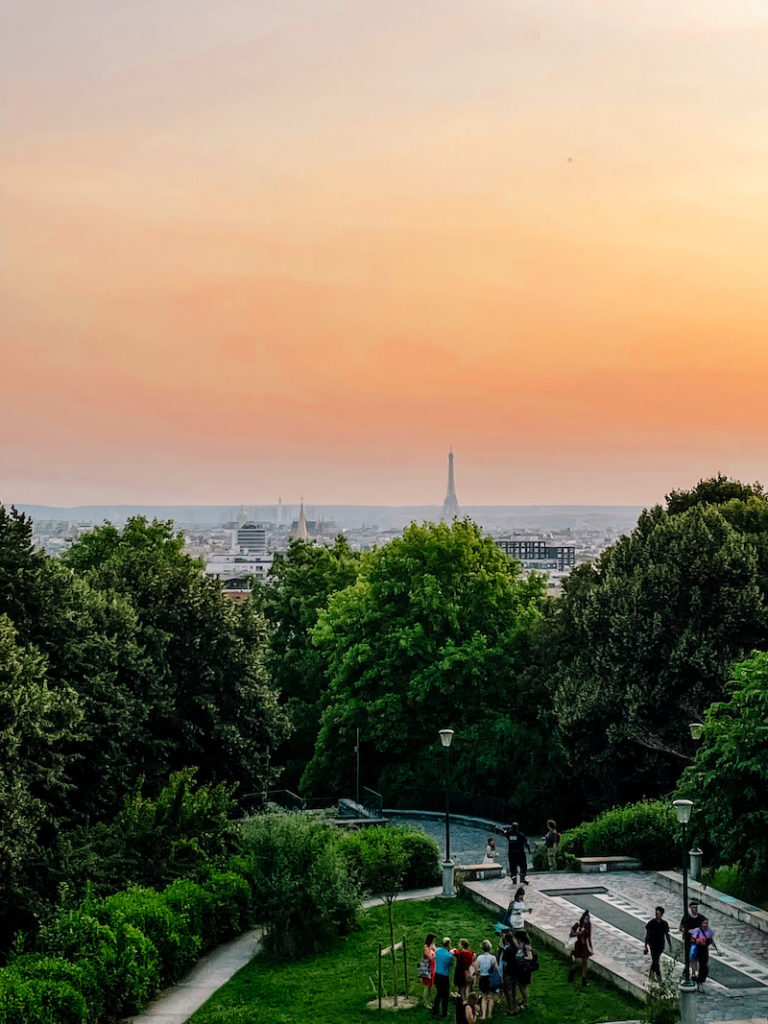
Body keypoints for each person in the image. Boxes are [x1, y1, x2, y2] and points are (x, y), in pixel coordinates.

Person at [690, 916, 718, 992]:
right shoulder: (697, 930)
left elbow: (711, 940)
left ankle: (700, 981)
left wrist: (716, 949)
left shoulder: (709, 931)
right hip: (698, 949)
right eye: (704, 923)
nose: (705, 924)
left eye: (707, 923)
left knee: (704, 966)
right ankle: (698, 980)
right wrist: (698, 940)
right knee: (698, 964)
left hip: (705, 950)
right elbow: (692, 939)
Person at [644, 906, 672, 980]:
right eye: (656, 913)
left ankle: (651, 974)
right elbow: (648, 934)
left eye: (659, 913)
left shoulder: (664, 924)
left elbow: (667, 934)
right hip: (652, 944)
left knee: (655, 960)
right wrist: (646, 945)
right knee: (656, 960)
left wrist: (670, 945)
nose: (657, 915)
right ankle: (659, 977)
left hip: (660, 944)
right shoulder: (651, 923)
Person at [679, 899, 705, 981]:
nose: (695, 909)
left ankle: (693, 973)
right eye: (693, 907)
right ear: (690, 908)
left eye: (696, 907)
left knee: (695, 957)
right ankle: (687, 968)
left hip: (697, 940)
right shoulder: (686, 917)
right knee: (689, 956)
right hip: (688, 940)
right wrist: (688, 931)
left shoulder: (701, 917)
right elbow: (681, 928)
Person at [475, 939, 500, 1020]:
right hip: (490, 978)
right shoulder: (493, 958)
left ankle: (483, 1015)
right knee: (491, 997)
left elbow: (477, 969)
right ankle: (489, 1014)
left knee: (484, 997)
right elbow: (496, 968)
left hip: (483, 977)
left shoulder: (479, 957)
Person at [568, 910, 593, 987]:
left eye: (588, 919)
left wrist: (590, 946)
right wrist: (579, 933)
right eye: (585, 919)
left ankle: (584, 980)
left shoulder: (588, 926)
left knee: (585, 963)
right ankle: (572, 973)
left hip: (584, 946)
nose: (587, 920)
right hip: (578, 946)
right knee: (579, 963)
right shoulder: (578, 925)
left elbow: (589, 937)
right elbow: (571, 934)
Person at [511, 930, 535, 1010]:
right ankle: (523, 1000)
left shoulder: (527, 946)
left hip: (525, 970)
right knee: (520, 986)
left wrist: (522, 958)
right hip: (520, 969)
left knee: (523, 987)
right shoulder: (520, 945)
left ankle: (526, 1002)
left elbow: (530, 957)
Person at [433, 937, 454, 1018]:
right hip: (444, 976)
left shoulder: (437, 950)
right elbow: (450, 965)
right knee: (445, 995)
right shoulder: (449, 956)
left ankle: (435, 1011)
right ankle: (444, 1012)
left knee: (438, 993)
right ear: (449, 945)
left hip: (436, 974)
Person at [421, 933, 437, 1005]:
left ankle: (429, 1001)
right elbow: (431, 957)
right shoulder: (426, 947)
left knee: (430, 985)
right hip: (427, 969)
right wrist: (434, 951)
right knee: (427, 986)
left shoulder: (431, 947)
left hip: (432, 968)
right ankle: (426, 1002)